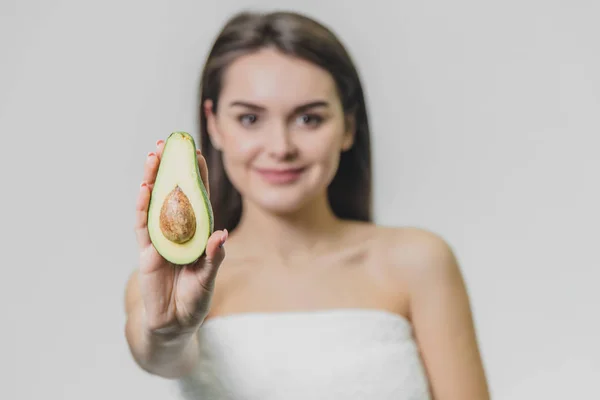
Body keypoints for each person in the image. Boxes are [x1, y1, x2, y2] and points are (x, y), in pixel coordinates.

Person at [124, 10, 491, 400]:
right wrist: (169, 329)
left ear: (348, 126)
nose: (281, 147)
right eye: (250, 118)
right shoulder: (175, 282)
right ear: (213, 124)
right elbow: (159, 353)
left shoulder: (419, 261)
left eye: (309, 119)